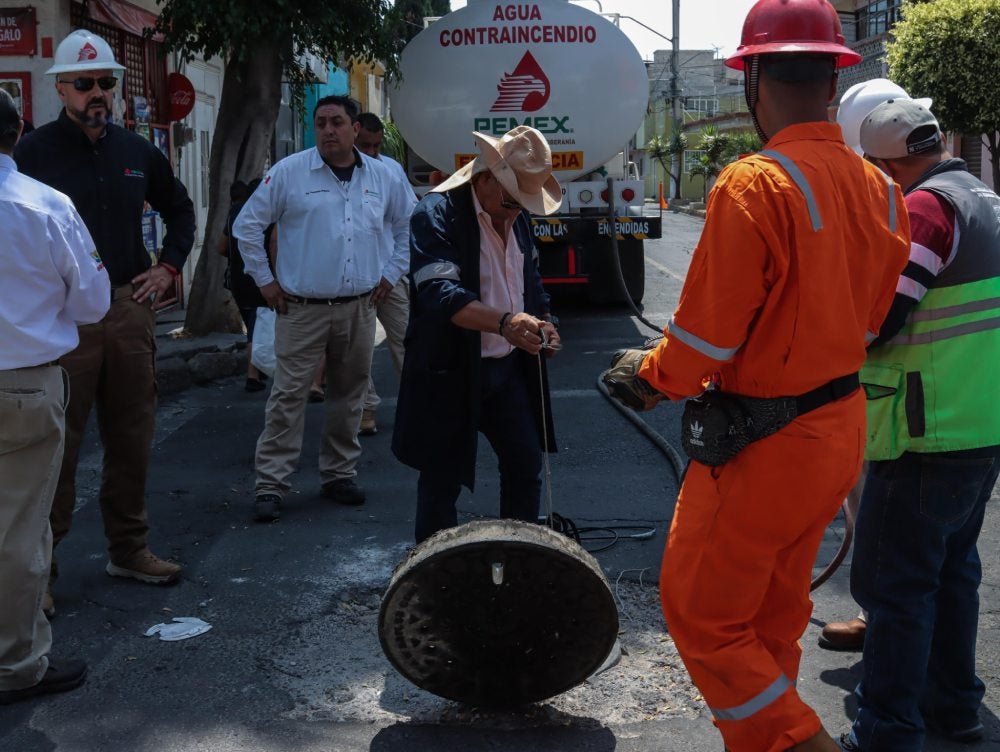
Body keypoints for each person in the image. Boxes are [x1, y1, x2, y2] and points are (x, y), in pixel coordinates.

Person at [601, 1, 911, 750]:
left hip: (763, 442)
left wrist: (649, 373)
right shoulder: (883, 189)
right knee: (769, 614)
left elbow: (704, 339)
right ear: (834, 77)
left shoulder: (754, 185)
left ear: (755, 80)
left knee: (702, 612)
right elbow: (873, 320)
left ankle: (799, 741)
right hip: (836, 432)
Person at [838, 99, 1000, 752]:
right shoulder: (984, 199)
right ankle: (954, 709)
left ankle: (886, 731)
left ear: (887, 164)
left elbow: (883, 319)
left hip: (925, 427)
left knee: (894, 586)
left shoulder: (927, 210)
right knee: (954, 572)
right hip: (979, 422)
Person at [13, 30, 195, 607]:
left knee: (132, 435)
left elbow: (181, 209)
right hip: (62, 319)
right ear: (61, 88)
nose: (98, 93)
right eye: (85, 83)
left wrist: (167, 267)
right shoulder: (32, 154)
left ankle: (128, 549)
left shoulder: (137, 151)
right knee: (57, 445)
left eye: (106, 83)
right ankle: (42, 568)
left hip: (128, 307)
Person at [234, 95, 411, 523]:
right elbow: (247, 227)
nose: (328, 130)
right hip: (301, 308)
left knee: (349, 396)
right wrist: (266, 282)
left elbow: (408, 225)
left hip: (359, 307)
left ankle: (338, 475)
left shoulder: (382, 177)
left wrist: (390, 273)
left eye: (337, 122)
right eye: (321, 123)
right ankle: (271, 485)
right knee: (288, 397)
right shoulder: (290, 172)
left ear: (355, 129)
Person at [392, 125, 562, 544]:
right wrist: (506, 322)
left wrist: (543, 319)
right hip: (449, 369)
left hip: (505, 371)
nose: (514, 213)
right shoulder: (436, 214)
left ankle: (521, 554)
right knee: (441, 479)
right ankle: (434, 575)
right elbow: (438, 293)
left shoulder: (514, 216)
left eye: (523, 205)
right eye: (510, 201)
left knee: (525, 464)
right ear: (484, 177)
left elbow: (529, 280)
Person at [0, 88, 110, 704]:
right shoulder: (46, 206)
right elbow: (93, 301)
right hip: (23, 383)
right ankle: (14, 664)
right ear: (18, 132)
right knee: (17, 531)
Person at [818, 78, 934, 653]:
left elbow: (878, 314)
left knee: (887, 527)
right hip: (917, 394)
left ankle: (887, 638)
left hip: (896, 394)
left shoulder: (916, 209)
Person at [217, 178, 269, 392]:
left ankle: (258, 370)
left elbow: (220, 247)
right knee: (258, 327)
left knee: (252, 325)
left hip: (238, 278)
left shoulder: (235, 212)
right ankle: (253, 373)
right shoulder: (268, 213)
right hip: (263, 278)